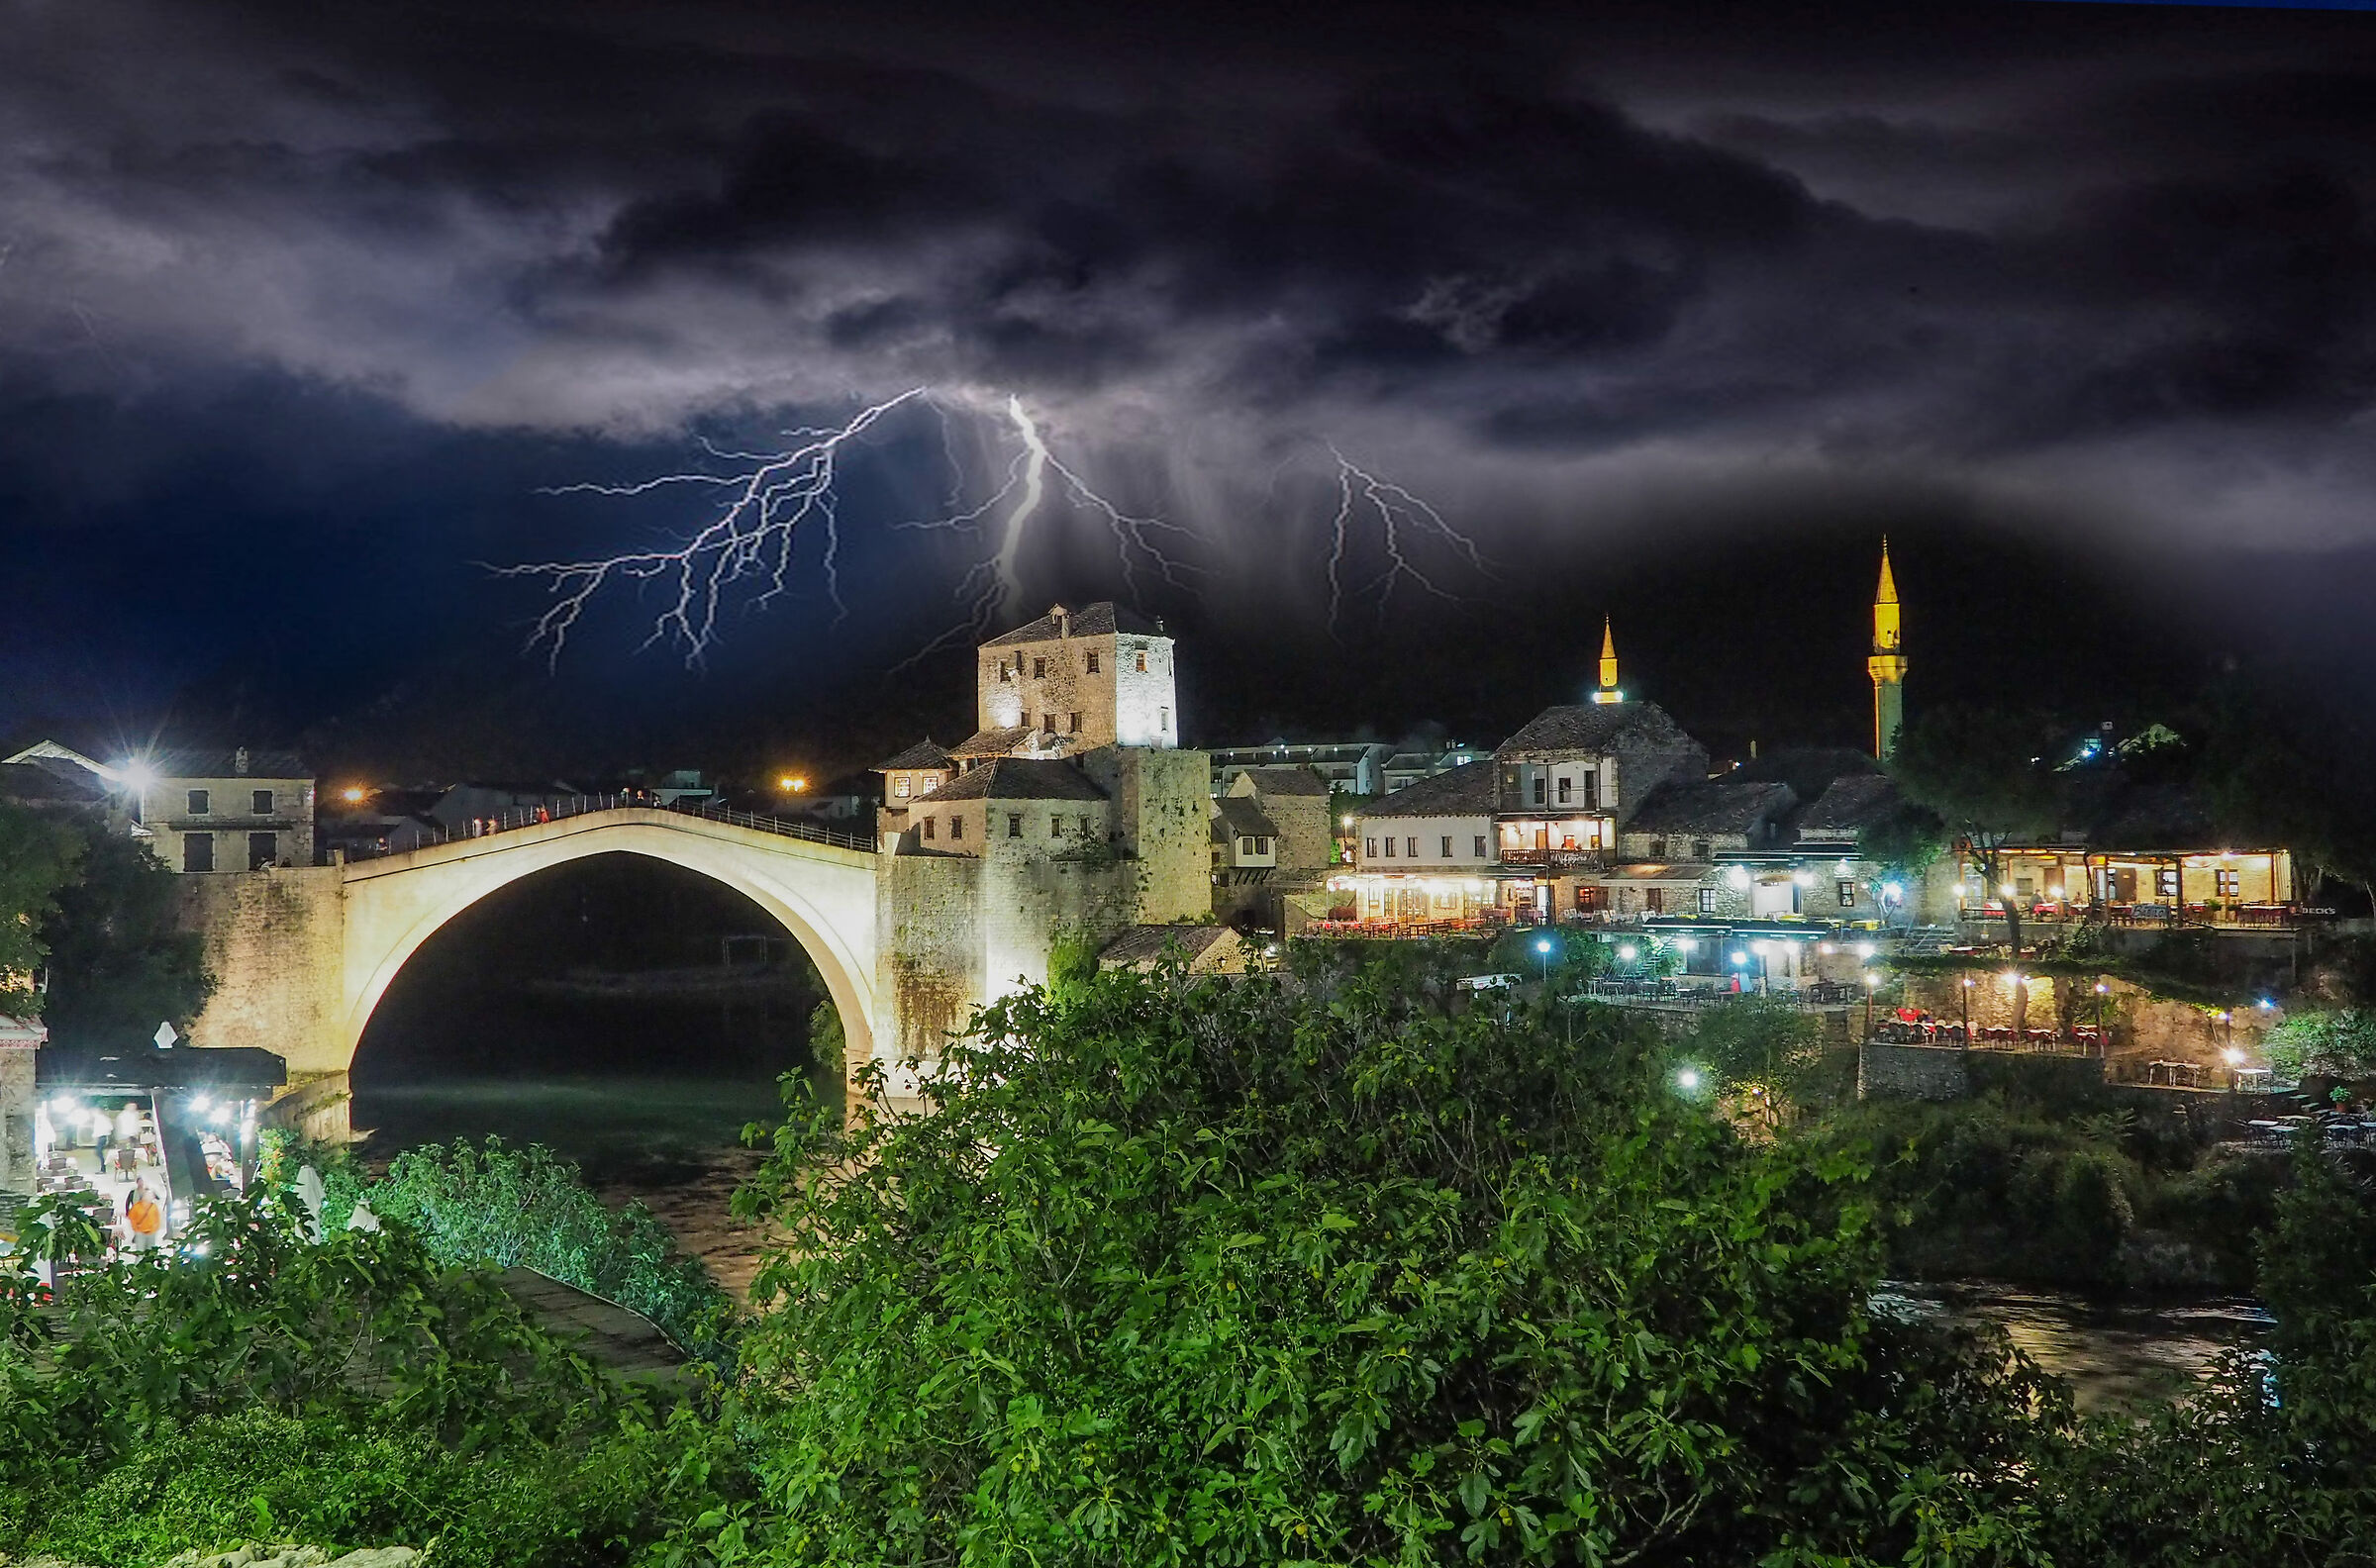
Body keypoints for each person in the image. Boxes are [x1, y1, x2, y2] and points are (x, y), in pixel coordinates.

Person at [124, 1182, 163, 1252]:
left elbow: (157, 1219)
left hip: (151, 1233)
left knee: (150, 1252)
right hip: (140, 1233)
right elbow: (132, 1219)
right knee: (140, 1252)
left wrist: (154, 1229)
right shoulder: (137, 1207)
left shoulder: (154, 1207)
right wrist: (136, 1229)